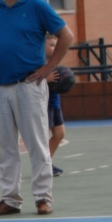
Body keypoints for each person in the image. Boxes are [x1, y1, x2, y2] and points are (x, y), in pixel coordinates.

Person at [0, 0, 73, 217]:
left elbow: (66, 35)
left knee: (37, 144)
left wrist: (48, 68)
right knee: (5, 147)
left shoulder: (38, 6)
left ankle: (43, 198)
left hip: (28, 86)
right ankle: (10, 199)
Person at [45, 34, 67, 177]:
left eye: (55, 45)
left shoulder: (55, 62)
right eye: (51, 45)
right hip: (44, 104)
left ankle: (47, 162)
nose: (54, 48)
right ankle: (43, 165)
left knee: (60, 134)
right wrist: (45, 79)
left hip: (54, 102)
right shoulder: (38, 63)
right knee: (43, 136)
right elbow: (29, 81)